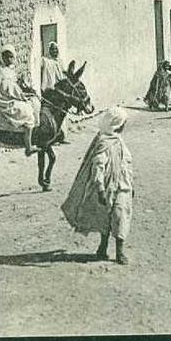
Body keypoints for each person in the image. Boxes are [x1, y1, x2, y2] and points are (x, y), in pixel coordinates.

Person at [61, 106, 134, 265]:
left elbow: (126, 163)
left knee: (121, 215)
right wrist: (100, 188)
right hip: (107, 186)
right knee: (105, 217)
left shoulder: (119, 140)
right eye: (123, 122)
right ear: (116, 123)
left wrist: (130, 185)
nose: (124, 125)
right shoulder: (103, 143)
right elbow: (97, 167)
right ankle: (103, 246)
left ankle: (120, 251)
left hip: (123, 185)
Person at [0, 44, 39, 156]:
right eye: (7, 57)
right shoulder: (2, 71)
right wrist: (21, 95)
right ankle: (28, 146)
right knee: (27, 111)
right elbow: (8, 89)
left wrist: (23, 86)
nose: (9, 59)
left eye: (11, 57)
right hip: (4, 101)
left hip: (10, 97)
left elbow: (14, 85)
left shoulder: (9, 70)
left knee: (33, 102)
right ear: (3, 57)